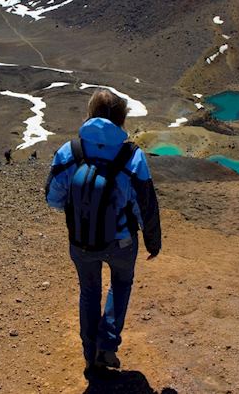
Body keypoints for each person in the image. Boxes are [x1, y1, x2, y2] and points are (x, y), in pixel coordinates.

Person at [45, 88, 162, 373]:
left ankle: (89, 354)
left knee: (89, 291)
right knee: (121, 285)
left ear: (90, 113)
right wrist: (152, 242)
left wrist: (81, 212)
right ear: (121, 118)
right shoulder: (132, 155)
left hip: (81, 241)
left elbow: (52, 197)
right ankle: (106, 348)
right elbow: (144, 205)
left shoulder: (69, 151)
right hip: (121, 242)